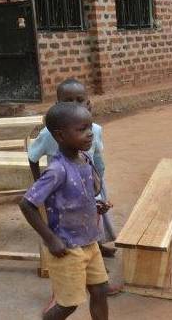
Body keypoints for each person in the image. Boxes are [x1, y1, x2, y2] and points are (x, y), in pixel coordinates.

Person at [19, 102, 110, 320]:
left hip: (89, 242)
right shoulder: (57, 170)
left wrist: (95, 205)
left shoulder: (85, 159)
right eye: (81, 130)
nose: (90, 134)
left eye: (90, 127)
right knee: (68, 304)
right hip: (67, 248)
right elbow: (27, 204)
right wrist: (50, 239)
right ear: (60, 136)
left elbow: (77, 195)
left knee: (100, 290)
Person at [28, 79, 116, 258]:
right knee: (70, 221)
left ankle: (95, 248)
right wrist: (38, 182)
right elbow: (32, 156)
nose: (75, 105)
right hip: (64, 186)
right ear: (57, 104)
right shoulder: (48, 134)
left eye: (79, 100)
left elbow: (97, 157)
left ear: (88, 103)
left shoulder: (95, 130)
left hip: (89, 181)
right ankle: (79, 256)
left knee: (93, 217)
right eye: (68, 101)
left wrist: (99, 184)